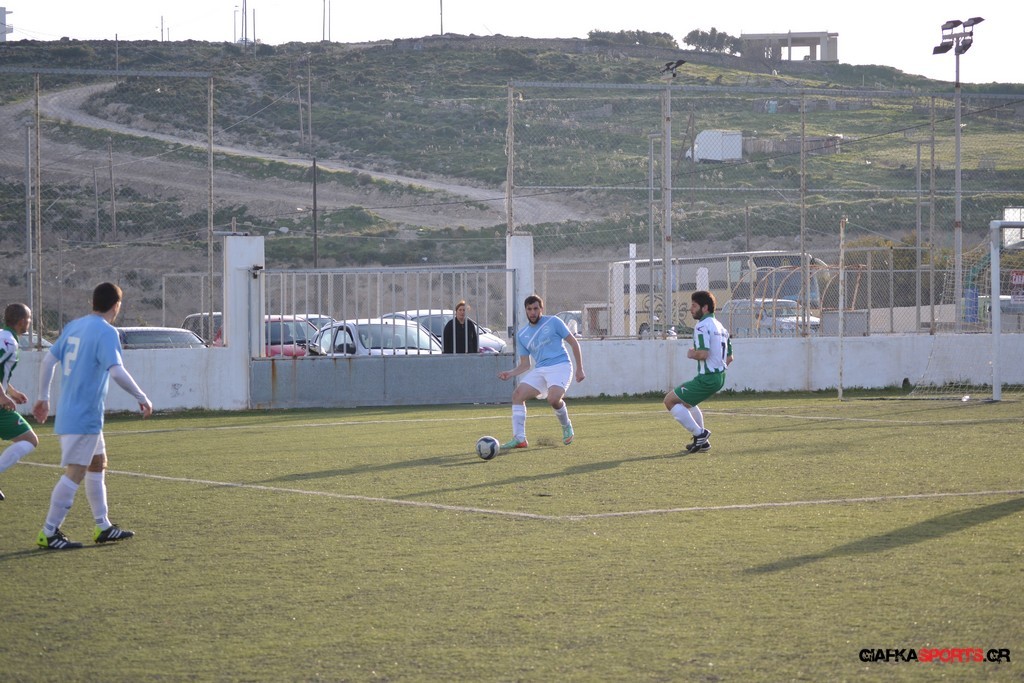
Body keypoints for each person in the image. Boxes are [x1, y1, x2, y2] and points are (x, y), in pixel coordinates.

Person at [32, 282, 153, 550]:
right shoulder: (107, 331)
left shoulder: (74, 326)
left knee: (98, 463)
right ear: (116, 305)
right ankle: (48, 532)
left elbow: (49, 360)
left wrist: (43, 396)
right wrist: (142, 396)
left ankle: (103, 526)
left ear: (93, 302)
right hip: (83, 414)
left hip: (75, 412)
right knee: (75, 471)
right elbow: (116, 371)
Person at [497, 294, 585, 449]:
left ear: (541, 309)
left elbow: (573, 343)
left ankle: (566, 426)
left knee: (553, 399)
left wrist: (580, 368)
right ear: (525, 310)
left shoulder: (554, 322)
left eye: (535, 308)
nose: (532, 312)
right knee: (517, 395)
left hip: (561, 366)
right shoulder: (522, 335)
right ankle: (519, 439)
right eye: (529, 309)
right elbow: (525, 364)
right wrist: (510, 373)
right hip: (541, 369)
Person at [664, 290, 733, 454]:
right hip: (719, 377)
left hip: (707, 378)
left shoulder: (702, 326)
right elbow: (730, 357)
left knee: (669, 401)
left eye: (694, 306)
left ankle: (700, 434)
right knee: (687, 403)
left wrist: (691, 353)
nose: (691, 309)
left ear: (705, 307)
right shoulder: (721, 327)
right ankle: (703, 443)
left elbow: (702, 354)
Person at [0, 303, 41, 501]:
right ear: (22, 321)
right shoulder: (8, 341)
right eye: (29, 318)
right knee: (29, 440)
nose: (30, 322)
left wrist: (12, 392)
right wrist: (2, 396)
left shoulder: (5, 337)